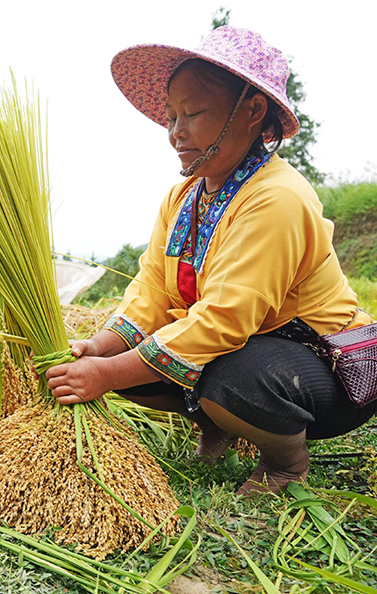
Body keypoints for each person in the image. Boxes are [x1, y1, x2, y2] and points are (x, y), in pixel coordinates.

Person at [46, 27, 376, 495]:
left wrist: (106, 375)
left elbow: (225, 320)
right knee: (131, 357)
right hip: (250, 349)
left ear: (253, 110)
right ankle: (220, 426)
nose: (176, 132)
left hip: (321, 370)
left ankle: (286, 462)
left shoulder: (277, 197)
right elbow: (153, 289)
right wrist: (102, 349)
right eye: (171, 116)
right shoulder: (183, 197)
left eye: (193, 113)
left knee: (223, 373)